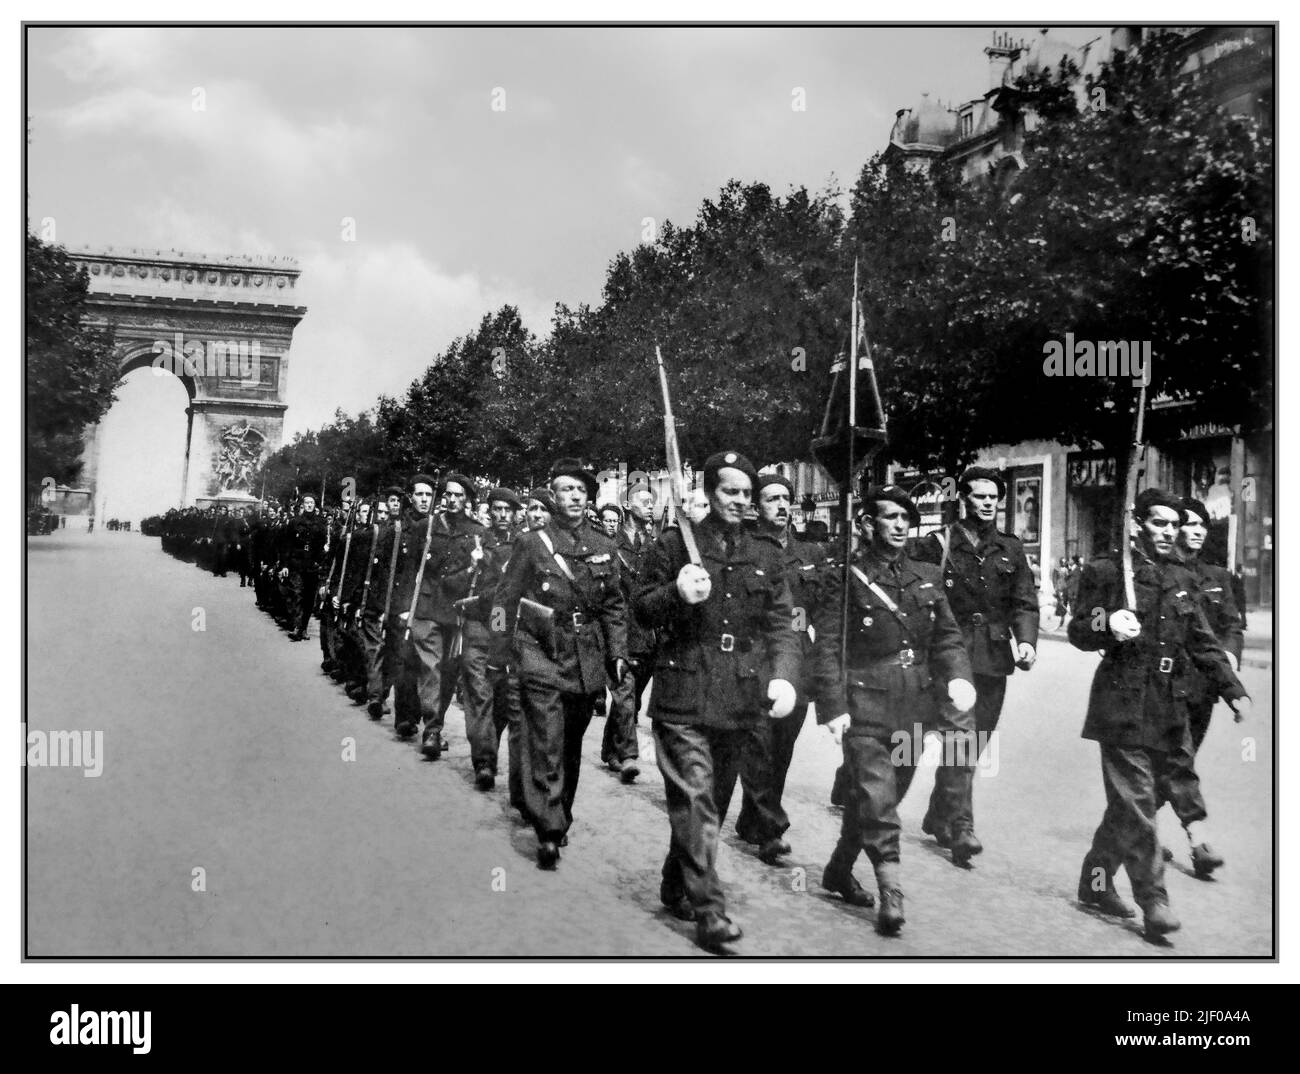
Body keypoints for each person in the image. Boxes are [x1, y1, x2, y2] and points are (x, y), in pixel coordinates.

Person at [634, 451, 801, 951]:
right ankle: (710, 910)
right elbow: (640, 608)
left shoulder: (767, 554)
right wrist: (676, 593)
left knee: (710, 803)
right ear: (708, 492)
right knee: (696, 798)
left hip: (740, 695)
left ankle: (676, 881)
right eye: (730, 491)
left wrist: (786, 677)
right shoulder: (675, 544)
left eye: (747, 494)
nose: (741, 501)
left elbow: (783, 623)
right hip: (683, 690)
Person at [1068, 488, 1250, 938]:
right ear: (1137, 525)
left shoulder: (1181, 578)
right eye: (1159, 524)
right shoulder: (1107, 571)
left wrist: (1232, 689)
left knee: (1135, 805)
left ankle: (1095, 880)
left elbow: (1202, 641)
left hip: (1171, 706)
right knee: (1136, 805)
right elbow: (1077, 628)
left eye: (1174, 525)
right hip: (1122, 702)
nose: (1168, 532)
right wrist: (1105, 624)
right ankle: (1154, 900)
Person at [818, 485, 975, 935]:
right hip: (864, 702)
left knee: (885, 794)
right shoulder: (845, 576)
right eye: (890, 518)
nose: (901, 525)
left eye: (907, 518)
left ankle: (838, 868)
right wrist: (832, 705)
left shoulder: (926, 574)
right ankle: (891, 888)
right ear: (867, 524)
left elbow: (947, 637)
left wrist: (959, 676)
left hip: (915, 706)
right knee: (878, 795)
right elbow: (828, 645)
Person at [497, 459, 627, 868]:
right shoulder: (532, 542)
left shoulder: (605, 545)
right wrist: (503, 651)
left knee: (570, 743)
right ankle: (548, 826)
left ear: (588, 498)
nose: (572, 496)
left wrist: (617, 653)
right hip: (539, 649)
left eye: (579, 490)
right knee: (546, 738)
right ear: (551, 497)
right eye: (564, 490)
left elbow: (614, 607)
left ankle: (560, 810)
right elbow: (505, 598)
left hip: (584, 656)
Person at [912, 466, 1039, 865]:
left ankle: (938, 813)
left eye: (992, 497)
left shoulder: (1011, 548)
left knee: (976, 742)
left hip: (995, 656)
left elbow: (1024, 601)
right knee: (959, 738)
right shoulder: (939, 543)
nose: (986, 503)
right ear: (962, 499)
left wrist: (1028, 643)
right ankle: (963, 826)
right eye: (978, 496)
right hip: (952, 654)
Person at [736, 472, 838, 863]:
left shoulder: (811, 555)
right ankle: (770, 828)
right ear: (755, 507)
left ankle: (752, 817)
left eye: (785, 498)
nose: (780, 506)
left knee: (781, 748)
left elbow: (826, 608)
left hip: (797, 658)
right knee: (757, 743)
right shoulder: (746, 549)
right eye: (770, 499)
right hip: (756, 657)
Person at [1162, 497, 1245, 877]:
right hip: (1167, 684)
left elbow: (1231, 625)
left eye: (1202, 526)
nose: (1195, 531)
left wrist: (1230, 655)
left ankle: (1137, 825)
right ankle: (1197, 839)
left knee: (1179, 759)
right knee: (1180, 760)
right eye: (1189, 524)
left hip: (1204, 687)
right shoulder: (1162, 572)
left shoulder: (1218, 577)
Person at [390, 473, 485, 760]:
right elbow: (410, 570)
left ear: (467, 499)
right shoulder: (426, 527)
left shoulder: (478, 532)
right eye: (448, 495)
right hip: (427, 607)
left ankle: (435, 720)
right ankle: (432, 729)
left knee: (449, 670)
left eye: (459, 495)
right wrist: (405, 606)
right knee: (430, 666)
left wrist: (480, 562)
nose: (453, 500)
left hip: (458, 610)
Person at [464, 488, 527, 802]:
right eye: (497, 509)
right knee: (480, 694)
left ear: (516, 513)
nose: (502, 515)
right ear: (489, 511)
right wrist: (472, 567)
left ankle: (489, 750)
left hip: (504, 631)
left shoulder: (523, 545)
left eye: (508, 510)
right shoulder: (477, 541)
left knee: (503, 700)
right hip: (478, 627)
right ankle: (484, 762)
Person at [601, 483, 658, 783]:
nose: (651, 506)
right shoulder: (612, 543)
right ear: (627, 504)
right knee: (623, 696)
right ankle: (628, 756)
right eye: (644, 500)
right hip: (619, 631)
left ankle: (610, 749)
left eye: (653, 502)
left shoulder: (653, 544)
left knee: (631, 700)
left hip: (646, 633)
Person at [280, 493, 328, 642]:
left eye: (312, 503)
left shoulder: (321, 523)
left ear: (315, 505)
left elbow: (322, 546)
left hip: (312, 565)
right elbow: (286, 545)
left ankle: (304, 627)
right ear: (302, 505)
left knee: (309, 598)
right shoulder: (294, 523)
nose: (309, 505)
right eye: (306, 503)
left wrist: (319, 561)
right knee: (297, 594)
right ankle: (297, 627)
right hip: (297, 564)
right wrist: (285, 565)